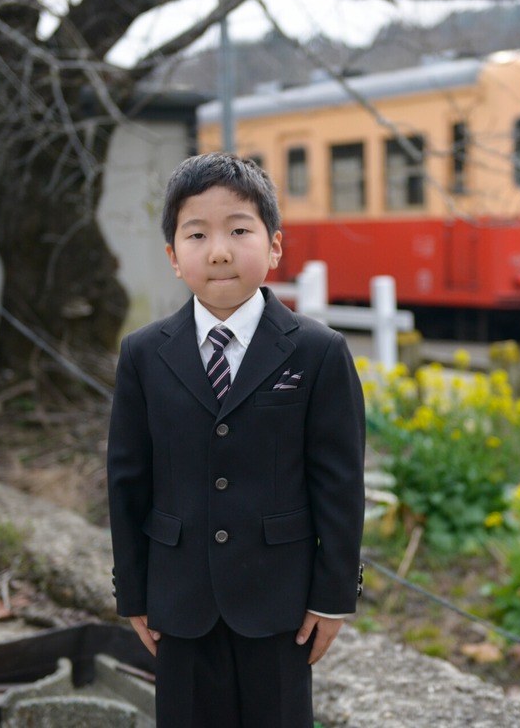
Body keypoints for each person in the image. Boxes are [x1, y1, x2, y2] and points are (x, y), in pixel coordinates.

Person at [106, 152, 366, 728]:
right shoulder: (144, 355)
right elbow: (127, 480)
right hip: (178, 600)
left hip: (280, 604)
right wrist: (135, 594)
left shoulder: (318, 352)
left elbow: (341, 483)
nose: (219, 250)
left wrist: (334, 595)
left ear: (274, 246)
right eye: (197, 234)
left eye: (239, 230)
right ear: (174, 257)